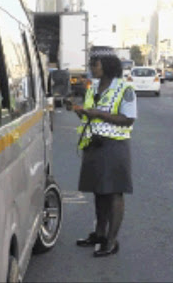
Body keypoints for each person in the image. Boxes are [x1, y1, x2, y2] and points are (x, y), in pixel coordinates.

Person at [70, 49, 137, 257]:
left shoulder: (125, 88)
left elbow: (128, 118)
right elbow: (90, 116)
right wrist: (81, 112)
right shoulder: (93, 88)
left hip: (114, 146)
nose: (92, 67)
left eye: (95, 63)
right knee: (99, 191)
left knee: (114, 193)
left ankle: (111, 240)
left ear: (107, 64)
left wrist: (98, 113)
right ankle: (99, 234)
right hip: (94, 144)